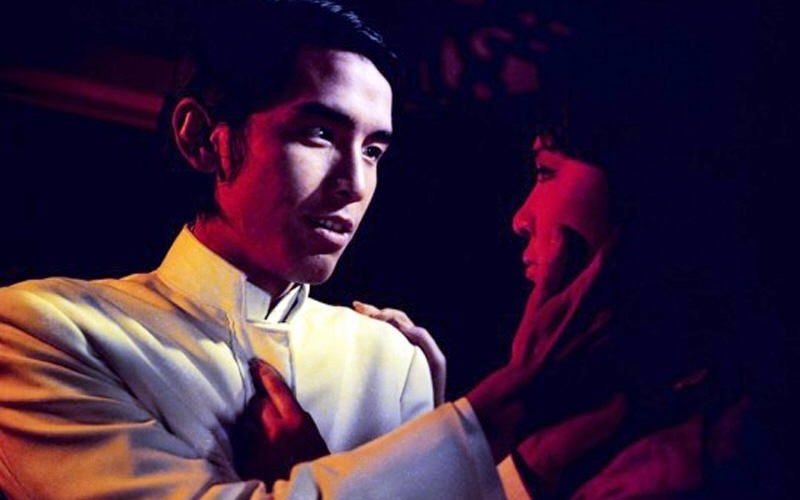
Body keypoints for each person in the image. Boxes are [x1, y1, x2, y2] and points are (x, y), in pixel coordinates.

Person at [0, 1, 625, 499]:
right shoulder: (44, 331)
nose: (354, 184)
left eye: (373, 151)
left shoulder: (391, 359)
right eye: (320, 133)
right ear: (203, 139)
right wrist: (492, 413)